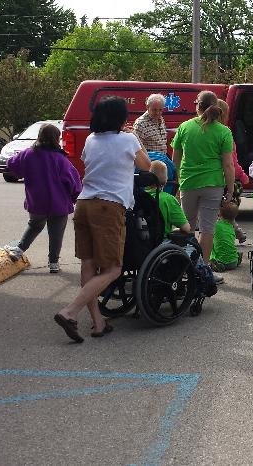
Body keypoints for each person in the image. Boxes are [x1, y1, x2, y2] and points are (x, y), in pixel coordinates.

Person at [53, 97, 151, 343]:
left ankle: (98, 322)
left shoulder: (90, 139)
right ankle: (70, 311)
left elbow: (91, 162)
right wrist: (133, 138)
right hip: (109, 207)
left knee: (89, 263)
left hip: (84, 203)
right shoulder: (128, 139)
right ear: (120, 118)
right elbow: (146, 165)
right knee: (113, 269)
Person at [3, 123, 83, 274]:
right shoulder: (61, 159)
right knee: (56, 233)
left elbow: (12, 164)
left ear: (39, 136)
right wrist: (74, 196)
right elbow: (73, 181)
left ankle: (18, 250)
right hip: (59, 204)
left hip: (37, 202)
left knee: (34, 225)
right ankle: (53, 263)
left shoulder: (28, 154)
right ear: (56, 139)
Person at [171, 90, 235, 263]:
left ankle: (185, 267)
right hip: (213, 184)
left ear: (197, 105)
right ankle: (203, 269)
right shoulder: (224, 132)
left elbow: (175, 159)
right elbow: (228, 164)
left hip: (188, 182)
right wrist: (230, 188)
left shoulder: (185, 127)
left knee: (187, 226)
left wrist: (176, 182)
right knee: (207, 229)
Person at [216, 99, 249, 243]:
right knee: (227, 213)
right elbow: (232, 163)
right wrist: (243, 177)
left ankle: (234, 235)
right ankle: (235, 235)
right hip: (228, 182)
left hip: (215, 181)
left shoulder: (205, 131)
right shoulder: (225, 133)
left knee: (221, 214)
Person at [148, 160, 190, 236]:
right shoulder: (168, 199)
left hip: (141, 242)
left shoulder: (141, 196)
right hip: (162, 243)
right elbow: (186, 228)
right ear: (166, 179)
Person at [209, 202, 241, 274]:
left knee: (210, 241)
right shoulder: (232, 227)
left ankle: (217, 264)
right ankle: (236, 258)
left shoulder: (215, 225)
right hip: (233, 263)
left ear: (219, 213)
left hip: (221, 261)